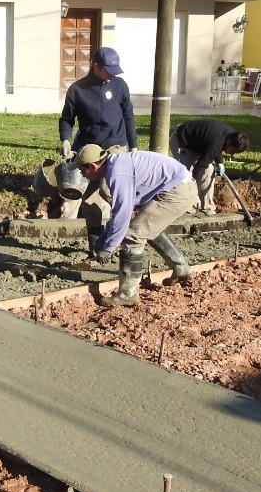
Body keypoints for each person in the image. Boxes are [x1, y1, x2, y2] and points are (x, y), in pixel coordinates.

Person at [73, 144, 197, 307]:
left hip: (177, 191)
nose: (82, 175)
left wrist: (109, 248)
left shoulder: (118, 173)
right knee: (145, 227)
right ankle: (182, 269)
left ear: (92, 166)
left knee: (133, 234)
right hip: (176, 186)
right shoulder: (115, 165)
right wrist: (106, 236)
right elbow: (119, 214)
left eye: (83, 171)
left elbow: (123, 215)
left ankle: (127, 293)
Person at [57, 46, 137, 219]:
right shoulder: (77, 90)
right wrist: (65, 140)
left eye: (114, 72)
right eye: (108, 71)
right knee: (73, 191)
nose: (111, 76)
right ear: (95, 66)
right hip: (87, 146)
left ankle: (112, 227)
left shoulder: (120, 85)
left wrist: (134, 144)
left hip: (114, 145)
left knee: (107, 190)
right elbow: (66, 119)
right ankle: (66, 230)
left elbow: (128, 115)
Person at [168, 118, 249, 214]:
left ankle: (207, 208)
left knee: (209, 171)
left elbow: (216, 148)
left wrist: (219, 162)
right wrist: (195, 194)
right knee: (186, 176)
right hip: (182, 142)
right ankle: (188, 209)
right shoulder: (217, 142)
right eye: (232, 150)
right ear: (229, 142)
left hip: (198, 145)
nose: (232, 154)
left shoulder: (231, 136)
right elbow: (199, 169)